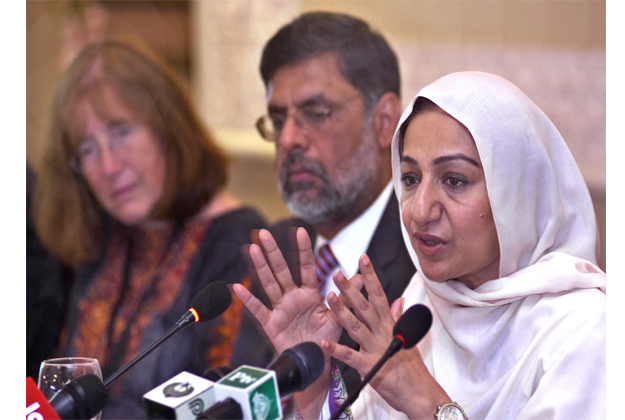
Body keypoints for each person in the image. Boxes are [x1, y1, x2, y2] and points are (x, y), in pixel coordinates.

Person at [234, 71, 606, 419]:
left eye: (455, 181)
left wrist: (429, 404)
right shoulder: (424, 303)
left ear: (518, 195)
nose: (420, 210)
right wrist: (313, 382)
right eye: (410, 178)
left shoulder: (585, 331)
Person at [32, 40, 270, 418]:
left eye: (122, 132)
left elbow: (225, 405)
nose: (109, 165)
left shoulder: (238, 242)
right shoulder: (102, 236)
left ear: (167, 126)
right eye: (88, 149)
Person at [252, 11, 415, 395]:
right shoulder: (278, 249)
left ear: (385, 120)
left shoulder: (423, 259)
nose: (290, 138)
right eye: (278, 120)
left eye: (316, 113)